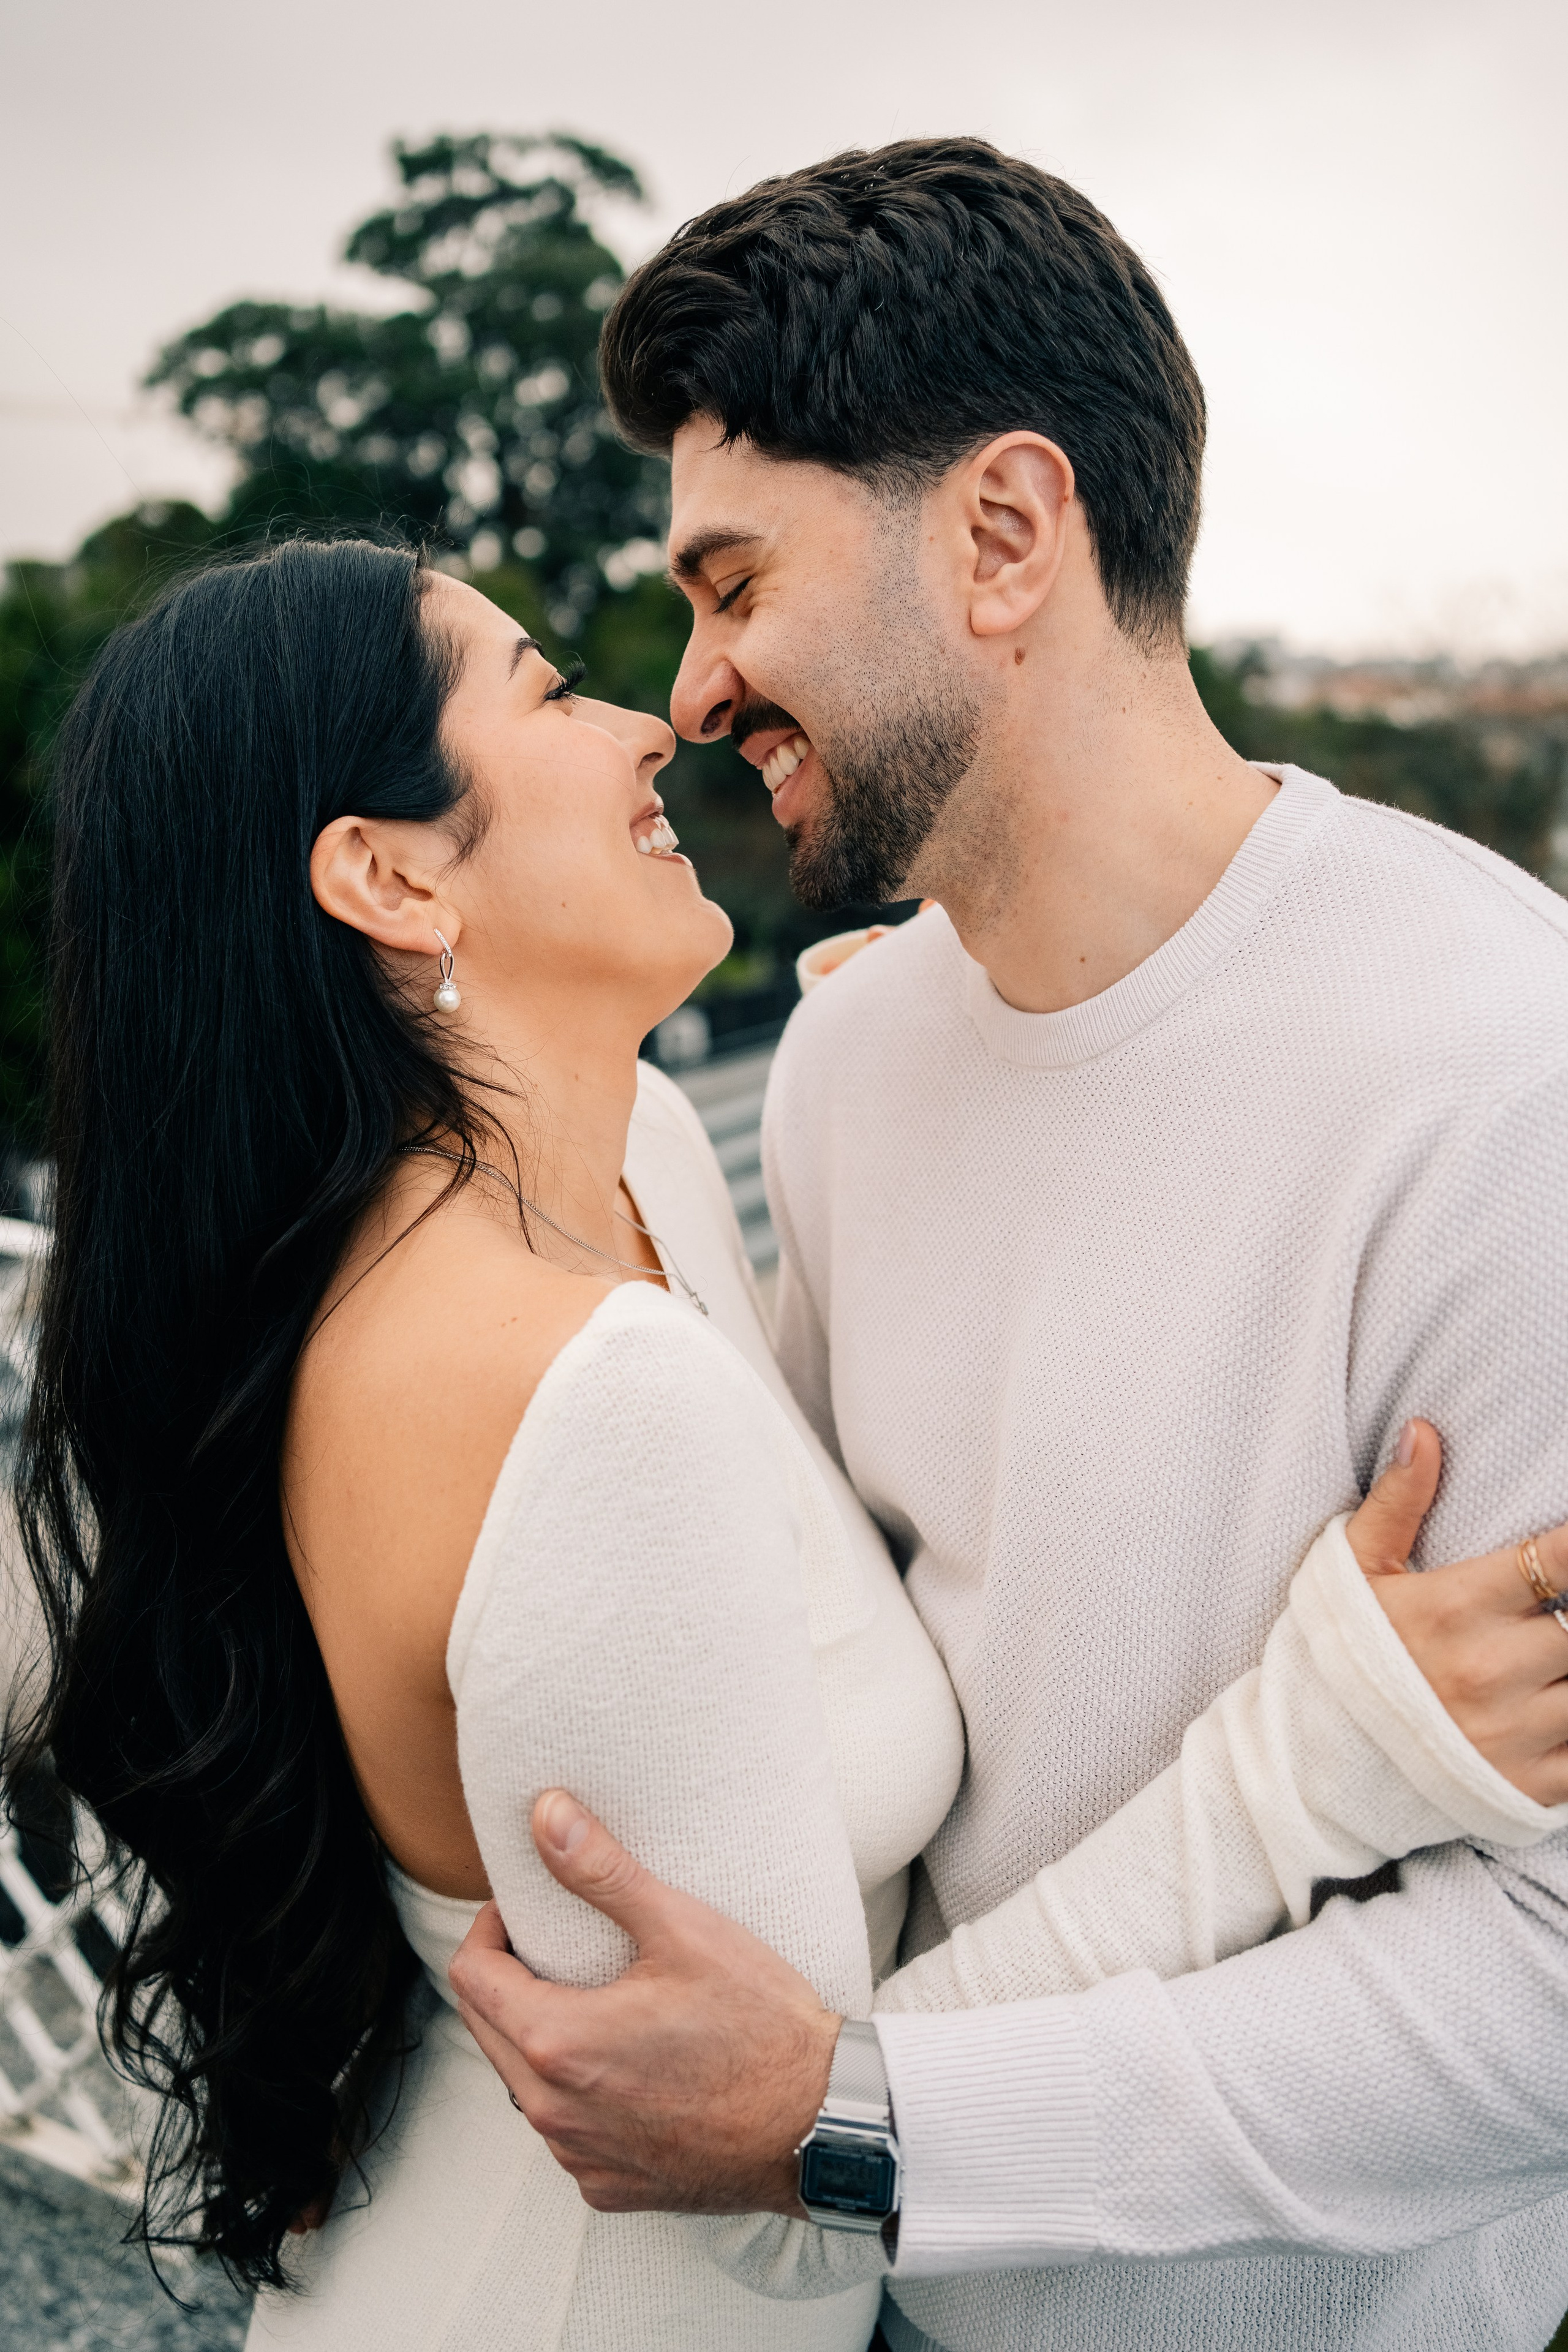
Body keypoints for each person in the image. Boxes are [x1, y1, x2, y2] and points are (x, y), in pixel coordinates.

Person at [7, 536, 1564, 2352]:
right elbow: (781, 2168)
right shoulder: (573, 1395)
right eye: (542, 692)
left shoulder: (638, 1153)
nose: (648, 721)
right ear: (390, 876)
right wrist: (1316, 1761)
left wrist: (972, 1144)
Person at [446, 140, 1568, 2352]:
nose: (689, 691)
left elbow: (1545, 1978)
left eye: (734, 583)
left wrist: (867, 2126)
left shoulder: (1503, 1071)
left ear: (1001, 534)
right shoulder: (854, 1072)